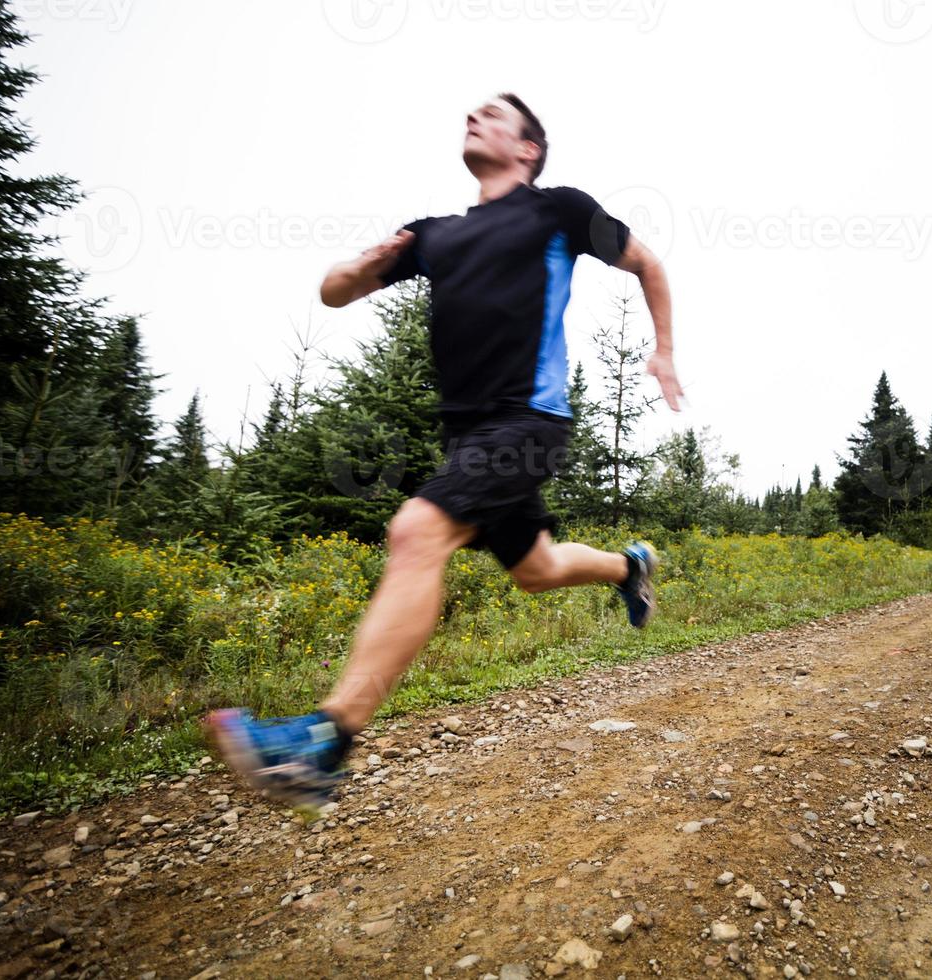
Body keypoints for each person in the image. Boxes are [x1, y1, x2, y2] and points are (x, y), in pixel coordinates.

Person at [205, 93, 683, 817]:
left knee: (417, 529)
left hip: (528, 422)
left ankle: (323, 744)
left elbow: (647, 263)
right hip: (470, 436)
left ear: (528, 149)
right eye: (473, 113)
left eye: (495, 116)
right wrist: (365, 264)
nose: (475, 117)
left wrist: (663, 351)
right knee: (537, 568)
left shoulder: (557, 210)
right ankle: (630, 567)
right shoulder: (434, 235)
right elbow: (335, 292)